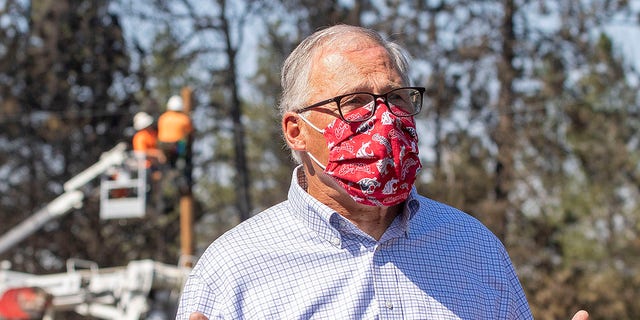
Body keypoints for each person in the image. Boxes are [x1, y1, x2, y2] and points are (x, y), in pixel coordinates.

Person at [176, 25, 588, 320]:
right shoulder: (233, 270)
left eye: (396, 98)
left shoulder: (476, 249)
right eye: (354, 101)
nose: (385, 120)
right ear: (296, 131)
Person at [157, 95, 193, 170]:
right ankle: (181, 161)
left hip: (162, 146)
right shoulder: (184, 119)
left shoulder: (163, 118)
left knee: (166, 165)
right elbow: (189, 133)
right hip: (176, 145)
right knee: (183, 143)